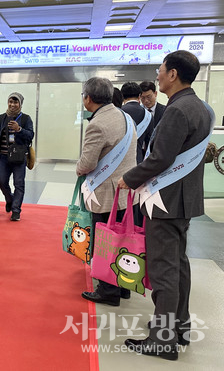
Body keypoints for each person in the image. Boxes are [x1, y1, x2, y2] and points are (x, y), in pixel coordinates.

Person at [118, 51, 213, 360]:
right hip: (184, 201)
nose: (157, 75)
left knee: (164, 270)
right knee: (179, 265)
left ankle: (162, 339)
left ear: (172, 74)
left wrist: (128, 179)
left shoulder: (176, 110)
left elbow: (161, 159)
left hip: (165, 201)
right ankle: (177, 325)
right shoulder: (199, 107)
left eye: (160, 70)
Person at [76, 77, 137, 307]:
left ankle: (108, 291)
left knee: (103, 241)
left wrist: (78, 168)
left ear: (88, 98)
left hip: (105, 193)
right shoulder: (125, 116)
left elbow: (87, 164)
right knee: (120, 239)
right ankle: (122, 286)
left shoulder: (97, 124)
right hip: (125, 191)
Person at [0, 92, 34, 221]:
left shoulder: (26, 119)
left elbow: (30, 135)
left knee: (19, 184)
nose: (12, 104)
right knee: (1, 181)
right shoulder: (1, 118)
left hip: (19, 157)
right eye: (10, 101)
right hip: (4, 157)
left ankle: (16, 210)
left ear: (20, 104)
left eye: (15, 102)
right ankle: (10, 199)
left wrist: (19, 130)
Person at [120, 82, 154, 165]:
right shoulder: (148, 115)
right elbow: (150, 142)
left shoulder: (118, 112)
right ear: (139, 96)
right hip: (138, 161)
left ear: (122, 96)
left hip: (118, 160)